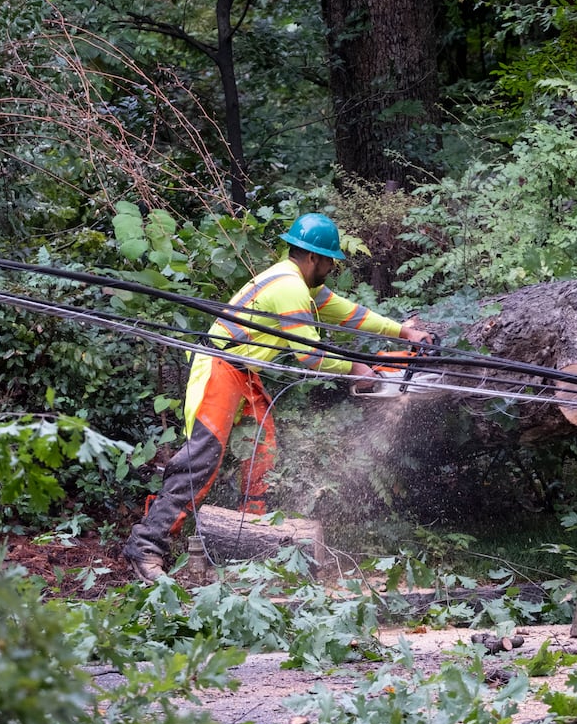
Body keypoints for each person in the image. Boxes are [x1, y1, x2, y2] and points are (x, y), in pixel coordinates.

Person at [122, 213, 433, 582]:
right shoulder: (289, 287)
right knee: (201, 460)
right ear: (314, 258)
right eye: (330, 259)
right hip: (219, 368)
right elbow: (310, 354)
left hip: (241, 373)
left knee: (262, 452)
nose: (333, 267)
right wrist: (357, 370)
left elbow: (350, 314)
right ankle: (146, 545)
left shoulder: (302, 285)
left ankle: (248, 541)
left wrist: (402, 333)